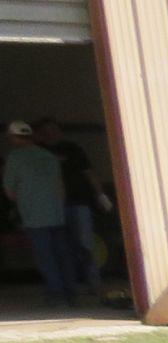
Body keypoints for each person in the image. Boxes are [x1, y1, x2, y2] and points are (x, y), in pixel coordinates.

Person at [3, 120, 76, 306]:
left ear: (12, 137)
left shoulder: (15, 158)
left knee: (45, 257)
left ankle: (57, 295)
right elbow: (61, 186)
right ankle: (71, 293)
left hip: (34, 215)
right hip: (56, 213)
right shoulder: (48, 156)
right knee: (62, 254)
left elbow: (10, 192)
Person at [35, 119, 107, 300]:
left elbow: (88, 172)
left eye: (54, 129)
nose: (51, 133)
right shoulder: (37, 151)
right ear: (41, 133)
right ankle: (68, 289)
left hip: (77, 204)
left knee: (84, 245)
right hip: (50, 207)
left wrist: (100, 194)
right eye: (47, 130)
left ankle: (94, 285)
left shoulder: (73, 149)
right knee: (60, 249)